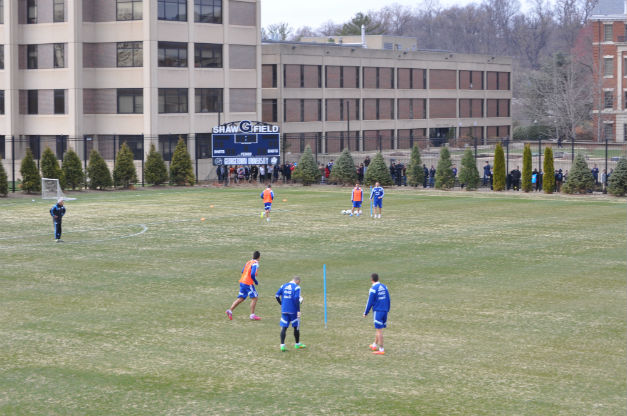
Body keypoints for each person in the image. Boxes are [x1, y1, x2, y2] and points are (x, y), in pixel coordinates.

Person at [226, 251, 262, 321]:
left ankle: (230, 310)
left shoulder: (248, 262)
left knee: (241, 298)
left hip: (242, 281)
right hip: (248, 283)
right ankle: (252, 315)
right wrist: (255, 280)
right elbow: (252, 274)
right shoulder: (255, 263)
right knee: (255, 298)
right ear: (259, 257)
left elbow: (243, 271)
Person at [275, 276, 305, 352]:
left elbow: (277, 295)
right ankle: (297, 344)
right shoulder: (297, 287)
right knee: (296, 327)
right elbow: (296, 298)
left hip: (284, 310)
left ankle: (282, 346)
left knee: (284, 327)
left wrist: (281, 304)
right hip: (293, 311)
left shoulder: (283, 285)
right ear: (297, 281)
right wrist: (298, 309)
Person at [363, 273, 390, 355]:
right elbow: (388, 299)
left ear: (371, 280)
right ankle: (374, 345)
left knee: (379, 331)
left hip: (378, 311)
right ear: (378, 279)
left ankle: (381, 349)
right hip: (385, 310)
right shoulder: (385, 287)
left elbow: (369, 302)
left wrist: (366, 312)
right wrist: (387, 309)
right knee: (378, 329)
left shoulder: (373, 289)